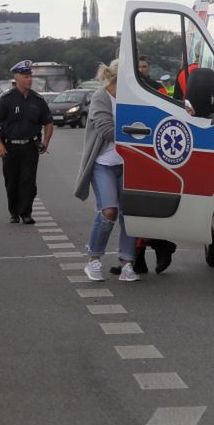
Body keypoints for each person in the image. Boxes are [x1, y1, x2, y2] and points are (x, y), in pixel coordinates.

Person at [74, 62, 139, 282]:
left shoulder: (134, 98)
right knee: (109, 211)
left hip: (129, 164)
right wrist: (137, 135)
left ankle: (127, 264)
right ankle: (93, 259)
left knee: (130, 214)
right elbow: (105, 128)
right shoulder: (100, 98)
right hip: (104, 163)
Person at [0, 60, 55, 225]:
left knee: (28, 182)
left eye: (30, 76)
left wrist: (45, 141)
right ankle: (14, 212)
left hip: (30, 147)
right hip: (10, 147)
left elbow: (48, 122)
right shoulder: (7, 99)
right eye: (26, 76)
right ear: (16, 78)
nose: (29, 80)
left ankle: (26, 213)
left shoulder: (37, 100)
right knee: (12, 182)